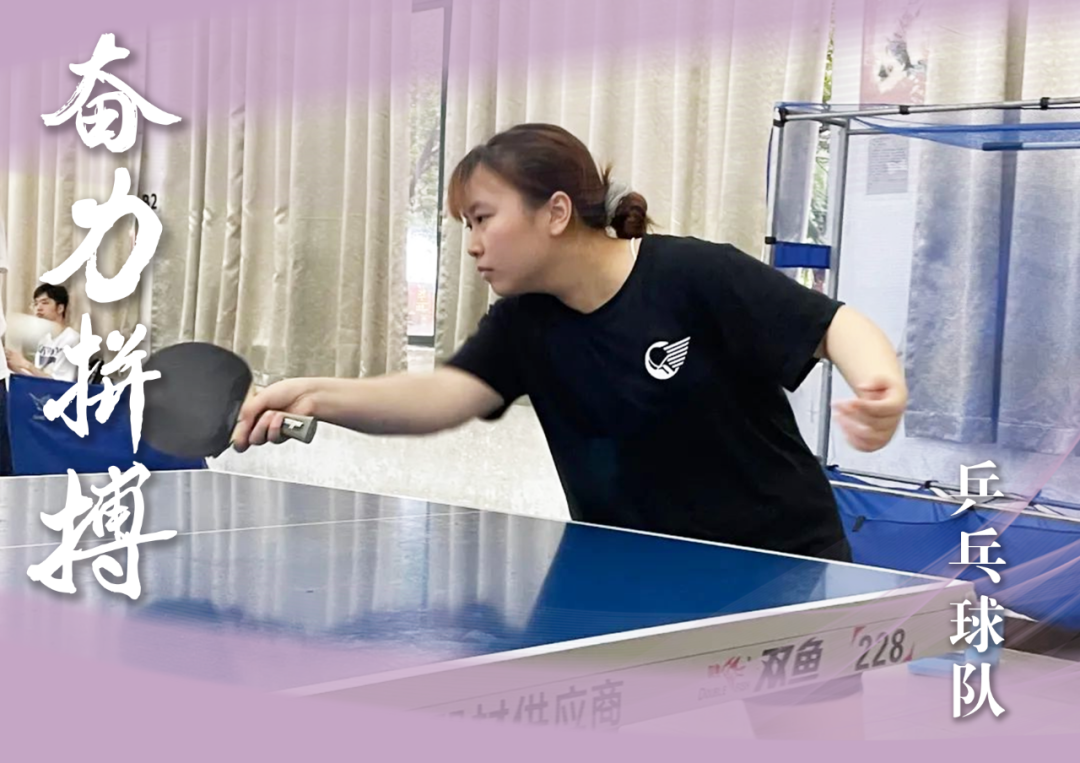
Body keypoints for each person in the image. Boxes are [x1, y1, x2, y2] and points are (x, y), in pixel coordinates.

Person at [232, 123, 907, 738]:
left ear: (555, 212)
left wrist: (878, 383)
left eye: (483, 218)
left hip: (777, 566)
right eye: (466, 225)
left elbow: (833, 325)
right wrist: (314, 394)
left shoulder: (692, 275)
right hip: (625, 570)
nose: (472, 244)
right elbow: (441, 396)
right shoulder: (524, 323)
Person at [5, 284, 81, 382]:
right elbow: (38, 378)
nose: (38, 308)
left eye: (45, 303)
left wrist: (25, 364)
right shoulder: (45, 339)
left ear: (60, 308)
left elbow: (61, 384)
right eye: (36, 304)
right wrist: (14, 367)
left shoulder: (72, 339)